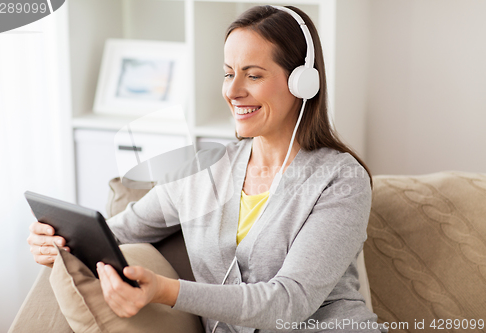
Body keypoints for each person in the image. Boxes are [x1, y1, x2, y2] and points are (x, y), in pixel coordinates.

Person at [28, 5, 387, 333]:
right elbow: (118, 232)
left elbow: (288, 303)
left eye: (254, 76)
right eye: (229, 73)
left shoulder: (341, 179)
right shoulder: (203, 170)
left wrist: (167, 291)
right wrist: (59, 240)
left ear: (301, 83)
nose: (233, 90)